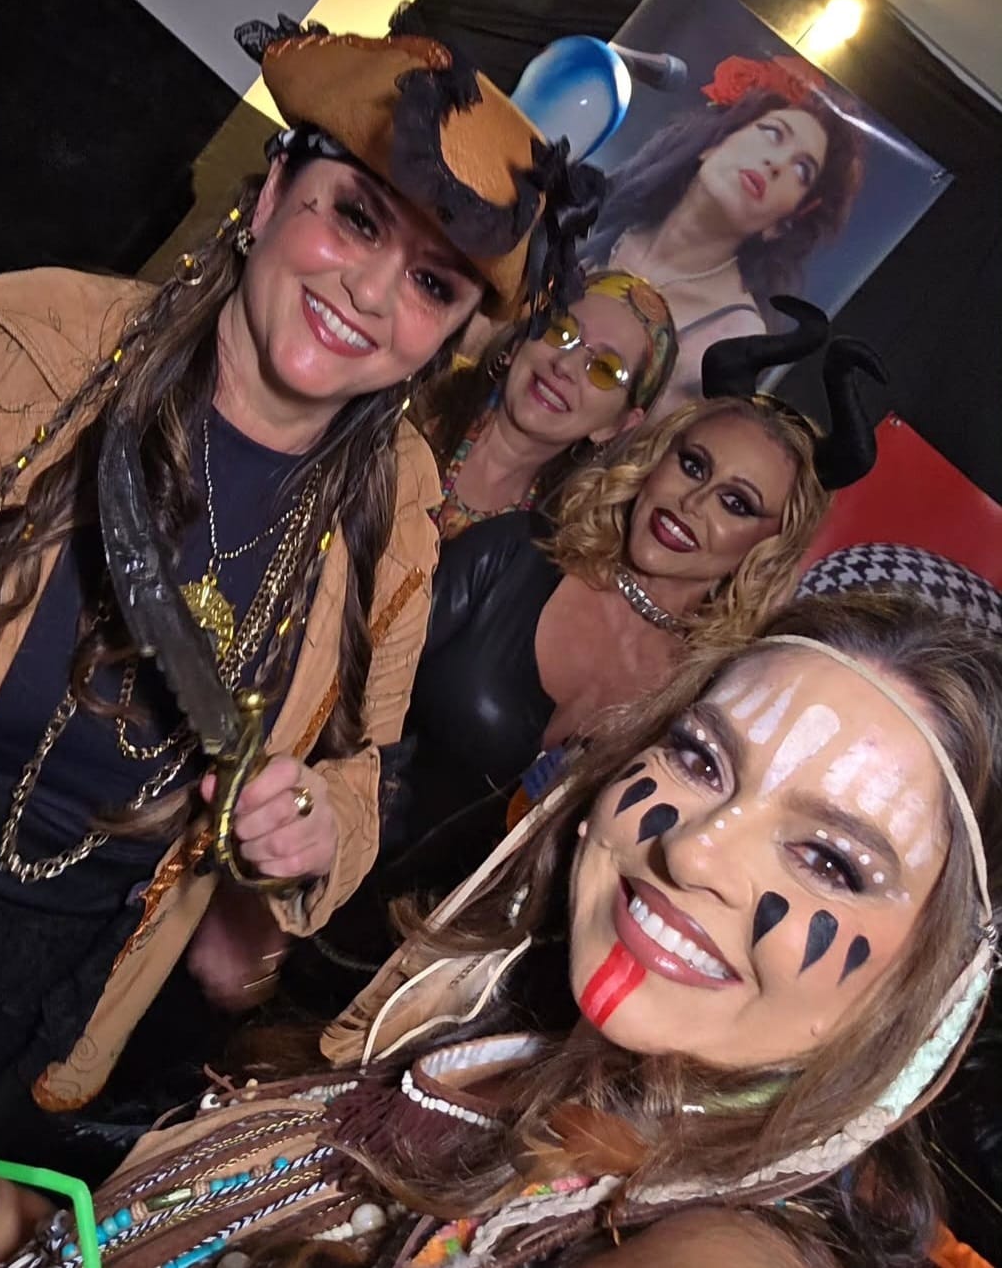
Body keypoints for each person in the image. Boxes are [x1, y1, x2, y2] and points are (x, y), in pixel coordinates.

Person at [0, 12, 604, 1157]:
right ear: (277, 186)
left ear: (451, 336)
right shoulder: (18, 343)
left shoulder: (395, 516)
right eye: (356, 218)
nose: (372, 292)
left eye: (431, 281)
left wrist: (309, 831)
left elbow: (364, 772)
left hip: (49, 973)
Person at [0, 591, 1000, 1268]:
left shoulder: (722, 1244)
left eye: (830, 861)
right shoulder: (489, 1047)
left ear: (929, 989)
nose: (698, 851)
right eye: (701, 758)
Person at [270, 303, 882, 1010]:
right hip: (293, 888)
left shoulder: (703, 710)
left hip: (432, 1001)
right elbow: (330, 703)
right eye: (692, 465)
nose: (692, 503)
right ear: (654, 462)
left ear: (767, 548)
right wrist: (268, 905)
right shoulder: (510, 556)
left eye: (736, 503)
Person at [581, 54, 864, 413]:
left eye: (801, 171)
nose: (777, 163)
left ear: (781, 225)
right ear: (715, 143)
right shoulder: (601, 208)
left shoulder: (733, 335)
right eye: (773, 134)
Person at [419, 270, 677, 540]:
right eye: (562, 331)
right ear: (521, 339)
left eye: (604, 369)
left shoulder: (560, 544)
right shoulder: (415, 393)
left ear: (616, 425)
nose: (565, 365)